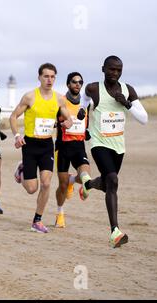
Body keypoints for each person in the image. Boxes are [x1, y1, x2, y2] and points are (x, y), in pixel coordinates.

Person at [79, 56, 148, 247]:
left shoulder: (128, 90)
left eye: (119, 70)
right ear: (103, 69)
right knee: (113, 181)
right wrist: (82, 112)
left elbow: (144, 119)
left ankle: (89, 184)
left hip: (119, 146)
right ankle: (114, 232)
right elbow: (83, 101)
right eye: (111, 69)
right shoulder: (93, 88)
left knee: (108, 183)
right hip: (99, 143)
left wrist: (126, 103)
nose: (115, 73)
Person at [9, 63, 72, 233]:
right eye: (46, 76)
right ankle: (21, 171)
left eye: (52, 76)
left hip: (46, 145)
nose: (49, 80)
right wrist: (17, 135)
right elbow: (13, 117)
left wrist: (67, 123)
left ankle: (37, 221)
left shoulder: (59, 98)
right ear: (39, 77)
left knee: (46, 184)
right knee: (31, 189)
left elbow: (69, 118)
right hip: (30, 145)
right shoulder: (30, 97)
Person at [53, 72, 92, 228]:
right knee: (62, 186)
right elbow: (51, 123)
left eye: (80, 82)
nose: (78, 84)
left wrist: (87, 131)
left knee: (86, 176)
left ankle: (72, 180)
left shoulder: (86, 103)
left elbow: (86, 123)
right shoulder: (60, 102)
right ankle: (60, 212)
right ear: (68, 84)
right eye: (74, 82)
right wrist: (61, 124)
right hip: (62, 147)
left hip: (79, 147)